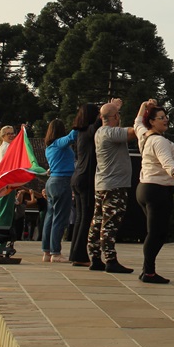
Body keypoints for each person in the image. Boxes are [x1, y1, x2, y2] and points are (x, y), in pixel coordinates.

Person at [87, 98, 138, 273]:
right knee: (110, 222)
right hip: (115, 185)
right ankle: (110, 259)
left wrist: (114, 108)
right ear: (115, 117)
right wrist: (142, 114)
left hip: (102, 183)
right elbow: (133, 132)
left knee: (98, 220)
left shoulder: (100, 132)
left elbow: (108, 115)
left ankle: (94, 256)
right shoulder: (110, 133)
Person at [134, 99, 174, 283]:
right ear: (152, 122)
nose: (165, 120)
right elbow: (167, 162)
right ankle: (149, 271)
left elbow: (137, 122)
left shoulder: (144, 136)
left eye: (165, 117)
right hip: (158, 190)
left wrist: (144, 106)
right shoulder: (159, 141)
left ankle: (148, 270)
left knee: (153, 232)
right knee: (156, 233)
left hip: (144, 188)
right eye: (161, 117)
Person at [69, 104, 102, 266]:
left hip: (77, 177)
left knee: (80, 218)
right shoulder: (89, 131)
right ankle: (80, 255)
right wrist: (108, 110)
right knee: (85, 217)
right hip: (86, 178)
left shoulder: (80, 133)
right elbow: (97, 125)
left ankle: (75, 253)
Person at [42, 119, 78, 262]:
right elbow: (72, 137)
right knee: (60, 218)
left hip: (51, 182)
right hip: (62, 181)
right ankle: (56, 252)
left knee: (50, 217)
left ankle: (46, 251)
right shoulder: (59, 144)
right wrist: (79, 123)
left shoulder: (49, 147)